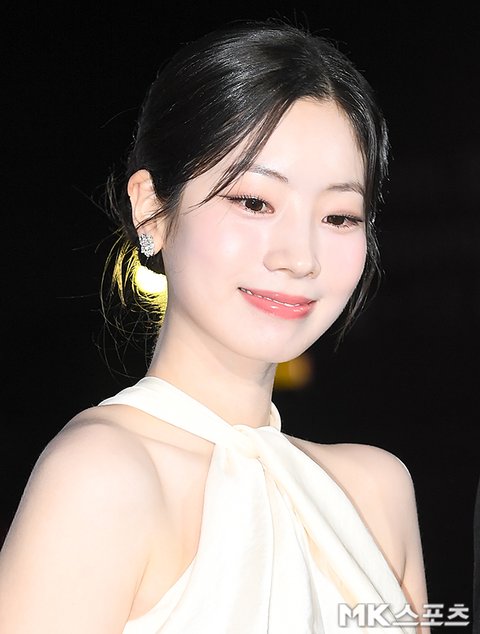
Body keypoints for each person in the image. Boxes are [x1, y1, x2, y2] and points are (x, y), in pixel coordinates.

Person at [0, 20, 429, 633]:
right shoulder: (103, 474)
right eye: (254, 202)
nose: (299, 257)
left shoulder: (379, 491)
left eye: (339, 216)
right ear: (152, 208)